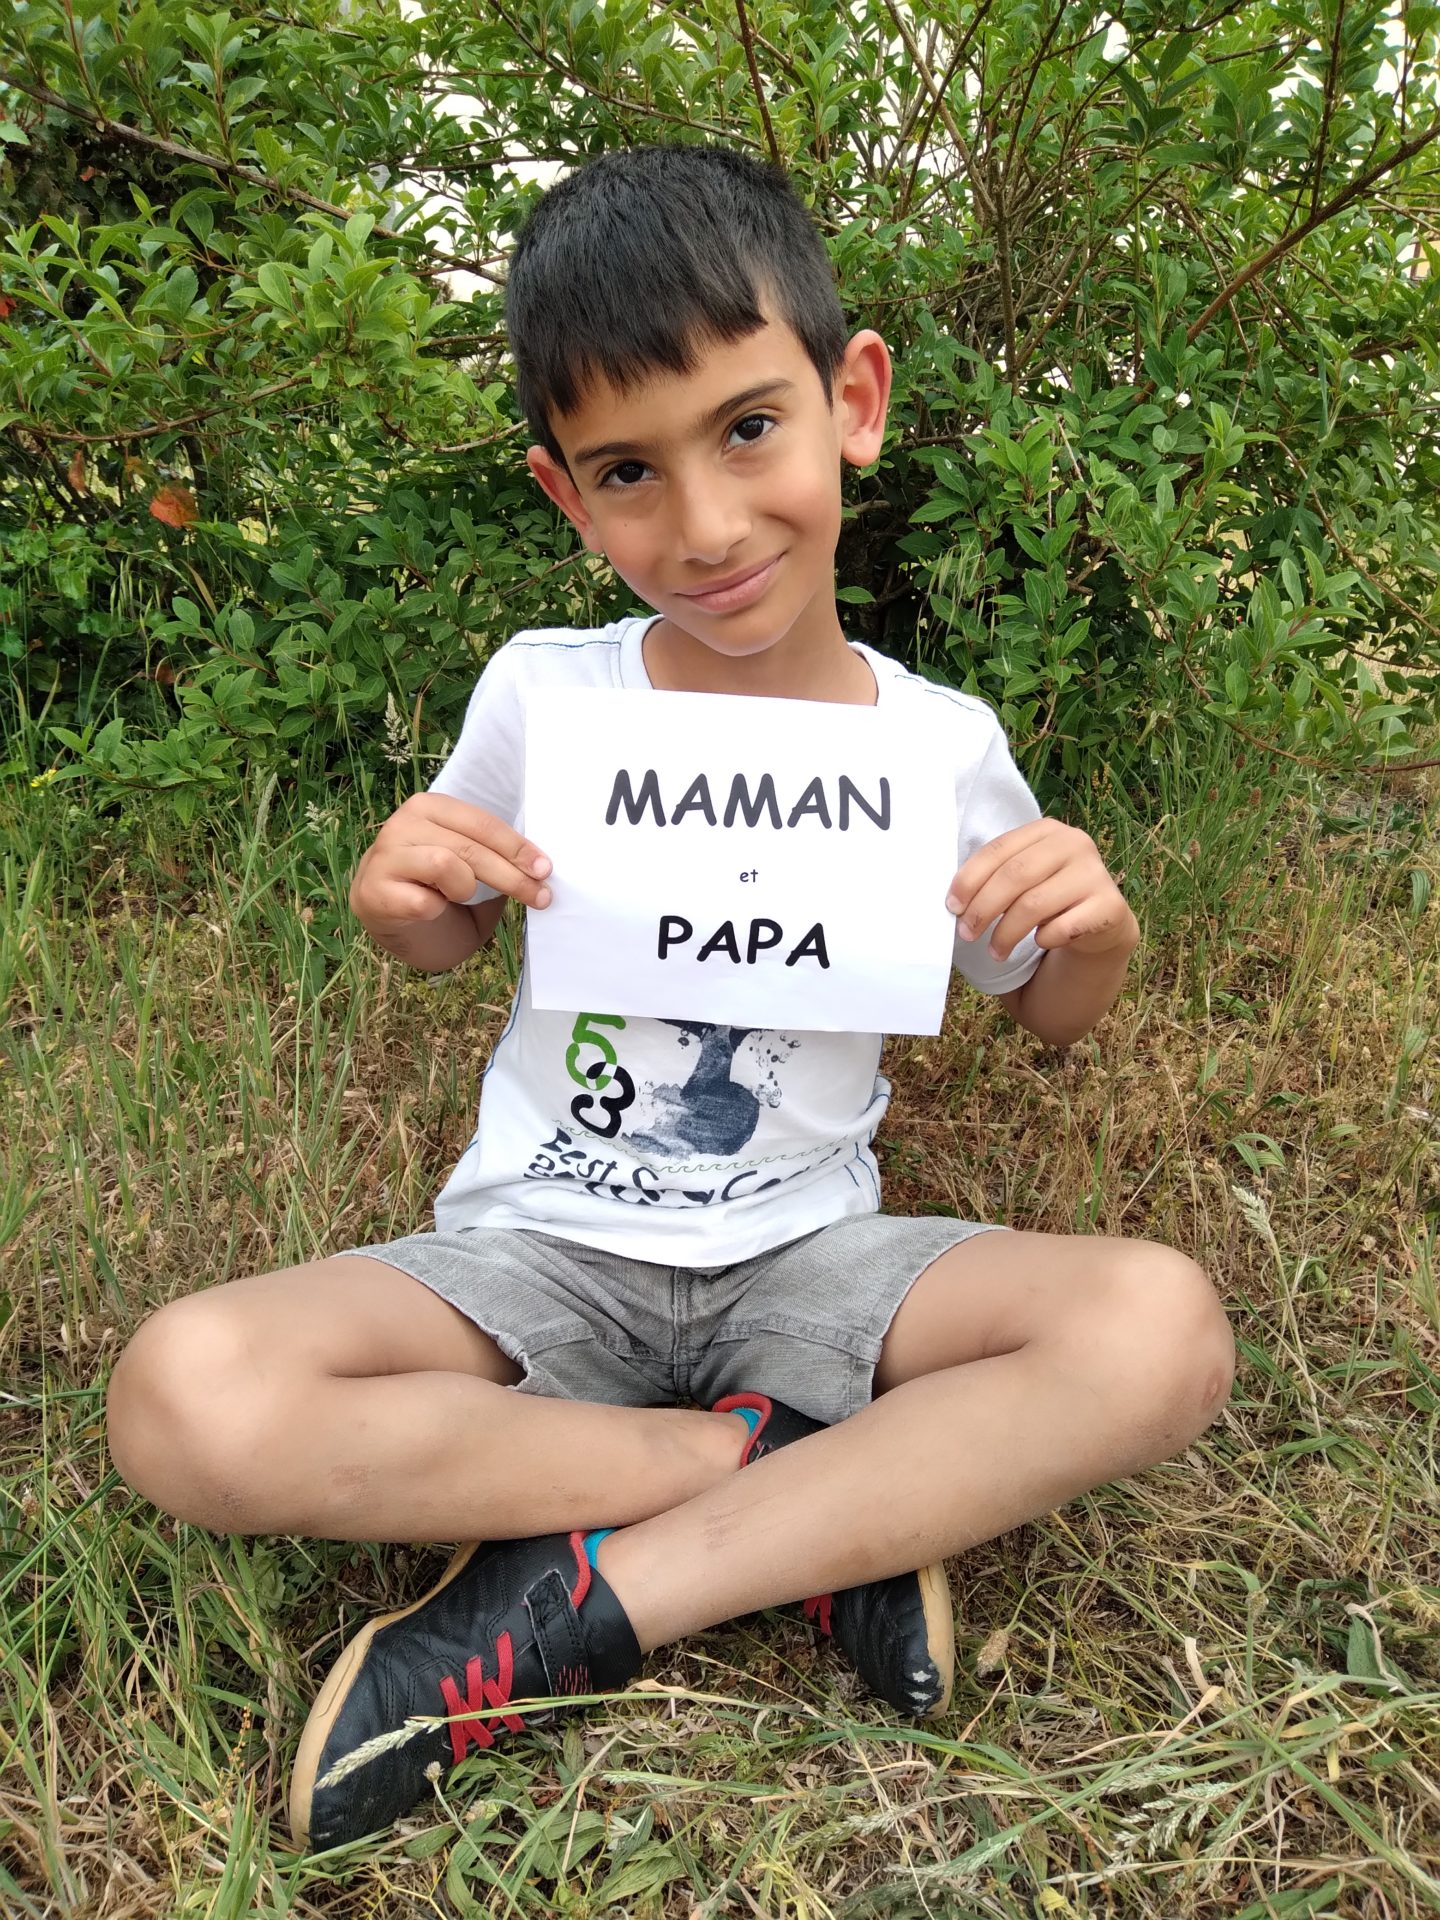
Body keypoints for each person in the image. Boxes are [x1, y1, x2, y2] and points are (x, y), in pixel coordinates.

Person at [104, 144, 1235, 1852]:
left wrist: (1093, 935)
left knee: (1159, 1330)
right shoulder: (546, 700)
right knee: (187, 1394)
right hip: (538, 1252)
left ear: (854, 401)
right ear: (568, 497)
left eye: (750, 429)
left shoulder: (937, 748)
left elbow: (1046, 1007)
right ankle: (782, 1488)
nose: (706, 527)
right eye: (629, 471)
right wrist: (403, 897)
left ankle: (587, 1605)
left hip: (812, 1264)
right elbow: (451, 935)